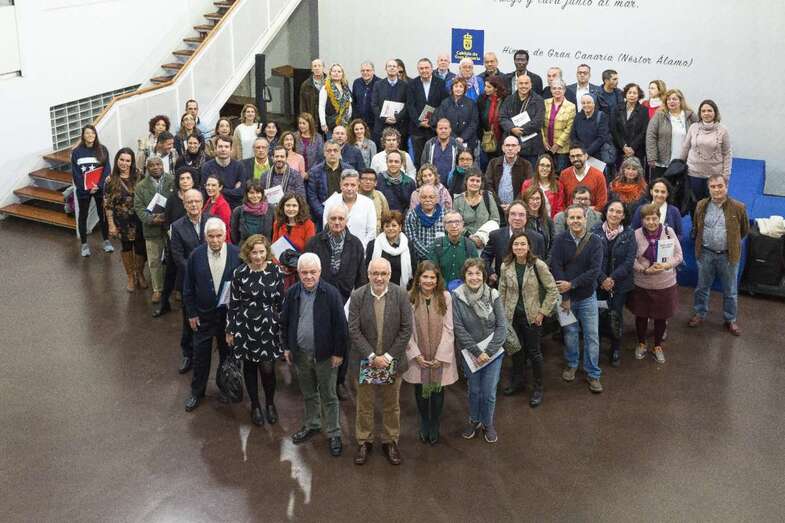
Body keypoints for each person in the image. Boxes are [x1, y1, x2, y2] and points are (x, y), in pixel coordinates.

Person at [281, 253, 348, 457]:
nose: (308, 276)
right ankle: (312, 424)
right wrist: (287, 347)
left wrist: (338, 352)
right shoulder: (292, 293)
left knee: (329, 395)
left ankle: (334, 432)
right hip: (301, 354)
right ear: (298, 273)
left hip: (326, 355)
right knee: (309, 393)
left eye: (312, 272)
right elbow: (285, 323)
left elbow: (341, 327)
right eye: (304, 272)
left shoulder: (331, 294)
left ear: (320, 272)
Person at [348, 258, 413, 465]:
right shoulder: (358, 296)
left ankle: (390, 441)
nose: (378, 277)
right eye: (374, 273)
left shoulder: (401, 295)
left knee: (391, 404)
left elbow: (406, 329)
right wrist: (371, 356)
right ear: (368, 275)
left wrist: (387, 357)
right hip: (365, 362)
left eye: (383, 274)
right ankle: (364, 441)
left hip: (391, 362)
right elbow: (354, 329)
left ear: (389, 275)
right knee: (364, 404)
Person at [305, 204, 368, 398]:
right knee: (318, 341)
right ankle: (317, 381)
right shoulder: (314, 243)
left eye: (341, 219)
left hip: (346, 300)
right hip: (319, 299)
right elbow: (306, 272)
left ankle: (340, 381)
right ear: (327, 220)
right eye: (333, 219)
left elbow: (361, 277)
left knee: (343, 342)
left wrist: (360, 302)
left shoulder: (356, 244)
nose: (337, 222)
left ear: (347, 221)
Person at [182, 218, 241, 411]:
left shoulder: (237, 253)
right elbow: (188, 287)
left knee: (228, 354)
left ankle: (226, 388)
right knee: (201, 356)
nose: (215, 240)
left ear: (225, 235)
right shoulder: (196, 255)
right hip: (203, 316)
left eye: (219, 236)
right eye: (211, 236)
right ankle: (196, 392)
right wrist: (191, 313)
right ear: (205, 236)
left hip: (228, 318)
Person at [227, 234, 284, 426]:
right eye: (254, 252)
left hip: (268, 327)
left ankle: (269, 403)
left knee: (268, 369)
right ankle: (255, 406)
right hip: (245, 326)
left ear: (267, 252)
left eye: (262, 252)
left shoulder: (276, 271)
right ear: (247, 253)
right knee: (250, 368)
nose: (258, 256)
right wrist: (230, 329)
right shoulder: (239, 273)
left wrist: (281, 327)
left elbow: (281, 302)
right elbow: (233, 304)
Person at [498, 232, 558, 405]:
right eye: (516, 244)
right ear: (511, 247)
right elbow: (502, 292)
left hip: (533, 317)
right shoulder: (506, 265)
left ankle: (538, 388)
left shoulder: (537, 265)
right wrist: (502, 316)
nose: (519, 247)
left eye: (523, 244)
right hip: (512, 317)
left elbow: (552, 289)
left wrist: (542, 312)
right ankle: (518, 382)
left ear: (529, 246)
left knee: (534, 353)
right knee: (516, 351)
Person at [549, 204, 604, 393]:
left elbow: (594, 271)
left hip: (588, 297)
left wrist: (571, 285)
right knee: (570, 334)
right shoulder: (559, 240)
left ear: (586, 219)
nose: (575, 221)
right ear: (566, 220)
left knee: (592, 336)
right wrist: (565, 295)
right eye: (571, 218)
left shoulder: (595, 242)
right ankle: (572, 364)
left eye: (579, 217)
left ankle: (593, 373)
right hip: (564, 299)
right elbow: (555, 266)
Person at [402, 261, 457, 445]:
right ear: (418, 279)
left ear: (437, 279)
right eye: (425, 277)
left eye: (432, 277)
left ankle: (435, 423)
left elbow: (449, 328)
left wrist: (441, 356)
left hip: (439, 355)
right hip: (419, 355)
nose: (428, 281)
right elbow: (406, 330)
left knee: (437, 390)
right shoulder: (409, 298)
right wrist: (416, 354)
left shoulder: (446, 297)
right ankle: (424, 420)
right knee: (421, 390)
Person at [453, 258, 506, 443]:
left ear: (484, 275)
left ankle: (488, 423)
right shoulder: (457, 297)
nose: (474, 277)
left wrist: (488, 352)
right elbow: (458, 328)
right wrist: (477, 352)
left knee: (489, 391)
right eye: (470, 273)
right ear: (464, 276)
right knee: (474, 390)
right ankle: (474, 420)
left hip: (493, 353)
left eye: (478, 273)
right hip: (469, 354)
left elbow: (502, 327)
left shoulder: (493, 294)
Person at [688, 174, 749, 336]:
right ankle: (699, 313)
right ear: (708, 189)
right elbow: (696, 227)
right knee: (702, 287)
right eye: (713, 187)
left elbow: (744, 230)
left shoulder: (738, 207)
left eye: (720, 186)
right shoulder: (701, 205)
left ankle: (730, 319)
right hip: (706, 254)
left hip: (728, 256)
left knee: (730, 290)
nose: (717, 189)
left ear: (726, 187)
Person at [627, 203, 683, 363]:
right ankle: (642, 343)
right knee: (641, 316)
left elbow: (679, 255)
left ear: (659, 218)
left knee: (661, 317)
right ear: (642, 220)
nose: (651, 222)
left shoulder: (668, 231)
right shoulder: (635, 234)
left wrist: (666, 265)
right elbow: (630, 259)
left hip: (665, 283)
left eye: (654, 218)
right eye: (647, 219)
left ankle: (657, 345)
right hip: (642, 283)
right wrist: (643, 270)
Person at [592, 200, 636, 367]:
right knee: (599, 313)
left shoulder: (629, 234)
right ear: (606, 212)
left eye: (619, 212)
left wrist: (612, 279)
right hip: (598, 283)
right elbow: (591, 259)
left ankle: (615, 348)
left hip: (620, 285)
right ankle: (597, 347)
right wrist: (602, 278)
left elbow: (629, 260)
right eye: (612, 210)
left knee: (616, 316)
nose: (614, 214)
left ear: (624, 215)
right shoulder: (595, 230)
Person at [170, 189, 209, 374]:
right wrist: (197, 273)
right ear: (184, 204)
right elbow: (178, 256)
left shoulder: (212, 222)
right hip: (189, 281)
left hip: (211, 279)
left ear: (202, 203)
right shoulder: (177, 227)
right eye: (189, 202)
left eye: (197, 201)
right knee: (188, 320)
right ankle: (188, 354)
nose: (194, 205)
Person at [155, 168, 198, 317]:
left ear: (193, 180)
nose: (185, 181)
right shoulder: (172, 199)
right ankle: (164, 303)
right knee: (170, 273)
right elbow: (167, 222)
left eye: (188, 178)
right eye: (182, 179)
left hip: (195, 242)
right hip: (176, 241)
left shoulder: (198, 196)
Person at [133, 157, 174, 302]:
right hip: (151, 229)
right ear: (147, 168)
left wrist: (168, 217)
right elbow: (138, 207)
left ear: (163, 166)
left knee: (173, 259)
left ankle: (175, 288)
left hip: (170, 227)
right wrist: (151, 219)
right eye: (152, 165)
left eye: (158, 164)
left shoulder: (172, 181)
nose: (156, 167)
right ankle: (158, 289)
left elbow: (177, 201)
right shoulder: (140, 186)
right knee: (154, 260)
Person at [104, 148, 145, 291]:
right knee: (127, 247)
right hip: (122, 221)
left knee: (140, 247)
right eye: (121, 160)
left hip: (139, 220)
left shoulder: (139, 175)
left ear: (132, 162)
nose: (124, 163)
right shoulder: (110, 180)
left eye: (128, 160)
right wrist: (111, 225)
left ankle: (139, 273)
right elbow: (108, 205)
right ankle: (130, 276)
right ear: (117, 160)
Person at [482, 200, 546, 286]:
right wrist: (490, 273)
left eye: (521, 215)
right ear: (508, 216)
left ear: (527, 217)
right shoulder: (496, 236)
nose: (517, 218)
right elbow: (484, 258)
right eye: (513, 214)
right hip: (502, 286)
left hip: (529, 288)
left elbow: (541, 265)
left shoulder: (538, 238)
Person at [680, 99, 732, 204]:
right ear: (700, 113)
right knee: (695, 205)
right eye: (703, 111)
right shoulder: (693, 127)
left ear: (715, 113)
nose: (706, 113)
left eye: (709, 110)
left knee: (714, 205)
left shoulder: (723, 130)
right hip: (693, 173)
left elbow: (727, 153)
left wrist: (726, 175)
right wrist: (680, 166)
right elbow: (685, 147)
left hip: (715, 175)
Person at [71, 124, 112, 256]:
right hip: (84, 191)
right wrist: (86, 188)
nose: (91, 136)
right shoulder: (77, 152)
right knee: (83, 216)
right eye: (88, 133)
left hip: (99, 189)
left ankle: (106, 241)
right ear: (83, 135)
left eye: (93, 133)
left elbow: (107, 170)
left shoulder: (103, 149)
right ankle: (84, 245)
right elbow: (76, 173)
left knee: (103, 215)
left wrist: (99, 186)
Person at [645, 88, 698, 179]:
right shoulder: (659, 115)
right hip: (662, 162)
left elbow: (698, 134)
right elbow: (650, 136)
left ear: (681, 101)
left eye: (674, 99)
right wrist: (651, 156)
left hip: (683, 162)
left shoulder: (690, 116)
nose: (671, 101)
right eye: (668, 99)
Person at [322, 169, 377, 249]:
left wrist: (361, 249)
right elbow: (326, 227)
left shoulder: (368, 203)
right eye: (346, 185)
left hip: (361, 252)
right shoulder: (331, 202)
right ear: (340, 185)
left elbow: (371, 232)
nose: (349, 188)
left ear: (358, 185)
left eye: (353, 185)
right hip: (335, 251)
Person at [407, 57, 447, 167]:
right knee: (419, 159)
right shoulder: (411, 84)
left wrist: (432, 121)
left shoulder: (440, 83)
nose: (424, 70)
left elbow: (442, 104)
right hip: (417, 129)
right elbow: (410, 105)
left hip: (433, 128)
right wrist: (419, 122)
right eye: (421, 68)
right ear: (418, 70)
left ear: (432, 68)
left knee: (433, 158)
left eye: (426, 68)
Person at [499, 74, 545, 169]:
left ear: (531, 85)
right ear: (516, 84)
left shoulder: (538, 100)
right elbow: (502, 117)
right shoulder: (509, 99)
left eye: (526, 83)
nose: (523, 86)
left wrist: (521, 130)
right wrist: (512, 128)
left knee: (530, 176)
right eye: (521, 83)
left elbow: (538, 121)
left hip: (532, 146)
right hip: (512, 145)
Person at [271, 192, 316, 289]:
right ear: (283, 207)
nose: (291, 209)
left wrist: (294, 266)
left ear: (300, 207)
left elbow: (309, 251)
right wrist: (279, 265)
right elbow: (273, 248)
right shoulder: (277, 223)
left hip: (300, 272)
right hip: (280, 271)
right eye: (288, 205)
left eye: (294, 205)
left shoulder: (308, 225)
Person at [306, 140, 352, 224]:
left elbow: (353, 192)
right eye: (329, 151)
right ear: (324, 153)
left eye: (335, 150)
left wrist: (347, 213)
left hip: (346, 214)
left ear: (339, 153)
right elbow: (312, 197)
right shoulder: (315, 171)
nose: (332, 153)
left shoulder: (349, 170)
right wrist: (325, 214)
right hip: (322, 215)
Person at [367, 210, 416, 289]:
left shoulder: (408, 245)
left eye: (394, 225)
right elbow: (367, 270)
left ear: (400, 227)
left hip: (402, 290)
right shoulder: (373, 245)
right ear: (383, 228)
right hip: (378, 288)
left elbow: (414, 269)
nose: (390, 228)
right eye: (387, 226)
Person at [428, 211, 479, 284]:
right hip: (440, 290)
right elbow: (431, 272)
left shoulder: (470, 245)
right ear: (444, 225)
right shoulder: (437, 245)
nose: (454, 225)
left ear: (462, 224)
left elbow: (475, 272)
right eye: (449, 222)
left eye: (457, 222)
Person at [453, 169, 501, 247]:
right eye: (472, 180)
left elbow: (495, 220)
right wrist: (470, 237)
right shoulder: (457, 200)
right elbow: (455, 223)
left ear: (481, 183)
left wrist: (481, 237)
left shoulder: (488, 197)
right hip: (464, 242)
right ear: (466, 181)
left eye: (478, 181)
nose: (475, 183)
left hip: (485, 242)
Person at [570, 94, 615, 174]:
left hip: (598, 156)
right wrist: (581, 152)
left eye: (589, 102)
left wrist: (588, 152)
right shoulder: (578, 117)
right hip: (581, 156)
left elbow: (601, 138)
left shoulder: (601, 116)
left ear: (594, 103)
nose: (586, 105)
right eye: (583, 103)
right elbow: (573, 136)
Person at [432, 77, 479, 151]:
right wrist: (454, 138)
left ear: (464, 89)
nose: (458, 89)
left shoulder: (471, 103)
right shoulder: (445, 103)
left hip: (468, 141)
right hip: (448, 140)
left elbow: (474, 123)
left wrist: (463, 137)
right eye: (456, 86)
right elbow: (441, 120)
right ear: (452, 88)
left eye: (461, 86)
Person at [201, 135, 247, 209]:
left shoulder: (239, 166)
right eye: (220, 146)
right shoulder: (207, 167)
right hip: (214, 207)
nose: (223, 149)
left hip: (235, 208)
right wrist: (233, 190)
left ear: (231, 149)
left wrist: (217, 189)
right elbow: (207, 192)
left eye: (226, 147)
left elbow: (241, 192)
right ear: (215, 149)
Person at [542, 79, 576, 173]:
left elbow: (569, 128)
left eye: (560, 88)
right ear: (551, 90)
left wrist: (557, 145)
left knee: (561, 174)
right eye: (554, 88)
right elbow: (539, 123)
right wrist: (543, 141)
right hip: (546, 147)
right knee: (546, 173)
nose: (557, 90)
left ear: (564, 90)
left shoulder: (571, 106)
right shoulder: (545, 103)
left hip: (562, 149)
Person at [371, 59, 408, 146]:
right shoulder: (378, 85)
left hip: (399, 126)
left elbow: (407, 105)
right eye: (389, 66)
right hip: (381, 126)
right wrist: (384, 118)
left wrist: (397, 117)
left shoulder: (405, 86)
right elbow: (374, 105)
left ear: (398, 69)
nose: (392, 68)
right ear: (386, 69)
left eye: (394, 66)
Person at [404, 184, 445, 264]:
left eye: (431, 197)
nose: (427, 200)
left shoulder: (445, 214)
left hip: (442, 257)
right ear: (419, 199)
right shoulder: (412, 215)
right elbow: (412, 240)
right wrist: (431, 256)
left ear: (436, 199)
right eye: (424, 197)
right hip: (420, 260)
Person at [611, 83, 649, 167]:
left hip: (637, 150)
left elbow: (644, 131)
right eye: (629, 93)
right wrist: (623, 146)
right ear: (625, 94)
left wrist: (632, 147)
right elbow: (614, 129)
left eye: (635, 93)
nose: (632, 95)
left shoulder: (644, 111)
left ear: (639, 95)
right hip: (620, 150)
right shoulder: (617, 108)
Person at [560, 145, 608, 212]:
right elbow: (561, 201)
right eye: (573, 156)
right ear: (569, 158)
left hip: (592, 217)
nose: (576, 159)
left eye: (579, 155)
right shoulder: (564, 174)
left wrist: (586, 212)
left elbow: (602, 203)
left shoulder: (598, 175)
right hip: (570, 217)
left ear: (586, 156)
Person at [230, 181, 275, 246]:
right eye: (251, 193)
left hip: (265, 251)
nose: (255, 196)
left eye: (258, 192)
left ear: (262, 194)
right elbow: (234, 235)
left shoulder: (271, 209)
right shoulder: (238, 211)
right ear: (246, 194)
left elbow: (275, 232)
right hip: (244, 251)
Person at [521, 153, 566, 219]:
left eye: (548, 166)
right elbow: (524, 205)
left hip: (551, 223)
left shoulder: (558, 185)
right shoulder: (527, 184)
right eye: (542, 165)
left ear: (551, 168)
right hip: (531, 221)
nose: (545, 168)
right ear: (537, 167)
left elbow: (560, 208)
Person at [477, 75, 509, 164]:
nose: (485, 89)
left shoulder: (506, 100)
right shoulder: (482, 99)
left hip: (502, 139)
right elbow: (479, 119)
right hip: (487, 138)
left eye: (488, 87)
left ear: (496, 88)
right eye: (485, 86)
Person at [609, 157, 648, 224]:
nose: (630, 172)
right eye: (628, 168)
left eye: (634, 169)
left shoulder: (644, 188)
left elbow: (645, 210)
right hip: (615, 222)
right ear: (623, 170)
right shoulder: (613, 186)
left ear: (638, 171)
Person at [420, 118, 460, 186]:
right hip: (432, 186)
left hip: (452, 186)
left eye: (446, 128)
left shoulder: (457, 145)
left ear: (450, 130)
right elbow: (423, 164)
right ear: (436, 130)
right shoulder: (429, 144)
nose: (443, 131)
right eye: (440, 128)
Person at [318, 63, 353, 135]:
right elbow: (321, 107)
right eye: (334, 71)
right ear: (330, 73)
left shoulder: (346, 88)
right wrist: (323, 124)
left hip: (345, 124)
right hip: (331, 125)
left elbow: (349, 105)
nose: (336, 73)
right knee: (333, 145)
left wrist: (348, 118)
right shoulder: (325, 88)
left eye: (339, 71)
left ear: (342, 74)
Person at [522, 185, 555, 253]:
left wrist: (547, 261)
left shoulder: (548, 220)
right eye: (531, 198)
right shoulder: (522, 220)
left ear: (541, 200)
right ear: (526, 200)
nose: (535, 202)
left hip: (545, 260)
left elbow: (553, 244)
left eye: (537, 199)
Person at [357, 168, 390, 233]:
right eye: (364, 179)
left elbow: (386, 218)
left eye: (371, 180)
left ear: (375, 183)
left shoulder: (380, 196)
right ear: (359, 181)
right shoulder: (353, 196)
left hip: (376, 235)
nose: (368, 182)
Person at [202, 174, 232, 243]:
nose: (210, 188)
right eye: (208, 185)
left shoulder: (223, 205)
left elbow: (224, 228)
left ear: (220, 187)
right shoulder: (209, 201)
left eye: (213, 185)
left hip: (219, 242)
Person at [294, 112, 325, 177]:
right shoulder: (294, 136)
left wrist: (309, 173)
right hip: (296, 174)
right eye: (300, 123)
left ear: (310, 124)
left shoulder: (318, 138)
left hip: (314, 174)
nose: (301, 125)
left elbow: (320, 158)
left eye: (304, 123)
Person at [351, 61, 380, 129]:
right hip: (359, 123)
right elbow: (354, 102)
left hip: (374, 123)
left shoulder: (380, 83)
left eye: (368, 70)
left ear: (373, 71)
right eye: (363, 70)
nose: (365, 72)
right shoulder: (356, 83)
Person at [299, 58, 325, 128]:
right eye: (315, 66)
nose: (317, 68)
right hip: (312, 120)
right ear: (312, 69)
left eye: (319, 66)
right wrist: (305, 120)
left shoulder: (329, 83)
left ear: (323, 68)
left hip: (327, 120)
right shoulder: (305, 85)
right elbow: (303, 105)